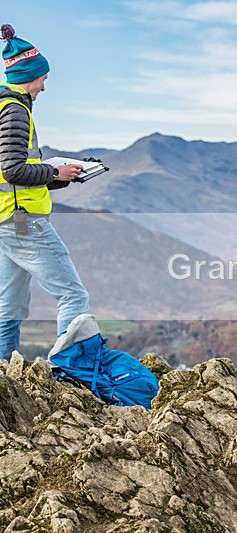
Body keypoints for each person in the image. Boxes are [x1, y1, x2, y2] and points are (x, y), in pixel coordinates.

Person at [0, 24, 89, 361]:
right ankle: (68, 369)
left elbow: (11, 174)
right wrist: (55, 171)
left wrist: (62, 177)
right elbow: (13, 170)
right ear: (28, 75)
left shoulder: (5, 107)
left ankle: (5, 374)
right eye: (43, 79)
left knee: (8, 305)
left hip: (6, 219)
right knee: (73, 295)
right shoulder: (15, 110)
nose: (43, 87)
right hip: (23, 221)